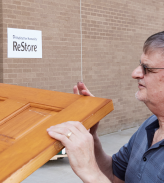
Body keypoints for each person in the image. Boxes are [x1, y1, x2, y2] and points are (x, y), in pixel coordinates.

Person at [47, 31, 164, 183]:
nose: (135, 73)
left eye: (147, 69)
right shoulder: (149, 126)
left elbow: (99, 176)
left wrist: (91, 173)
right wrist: (91, 136)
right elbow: (114, 175)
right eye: (139, 65)